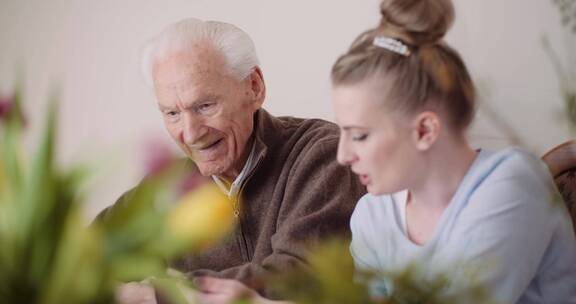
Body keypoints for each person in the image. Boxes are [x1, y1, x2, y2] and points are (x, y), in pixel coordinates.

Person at [98, 18, 365, 303]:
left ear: (254, 87)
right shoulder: (167, 186)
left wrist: (158, 295)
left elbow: (299, 276)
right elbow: (79, 258)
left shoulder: (321, 152)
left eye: (205, 106)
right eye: (171, 114)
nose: (189, 133)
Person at [330, 0, 576, 303]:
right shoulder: (372, 215)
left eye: (359, 135)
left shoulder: (514, 184)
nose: (343, 155)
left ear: (425, 131)